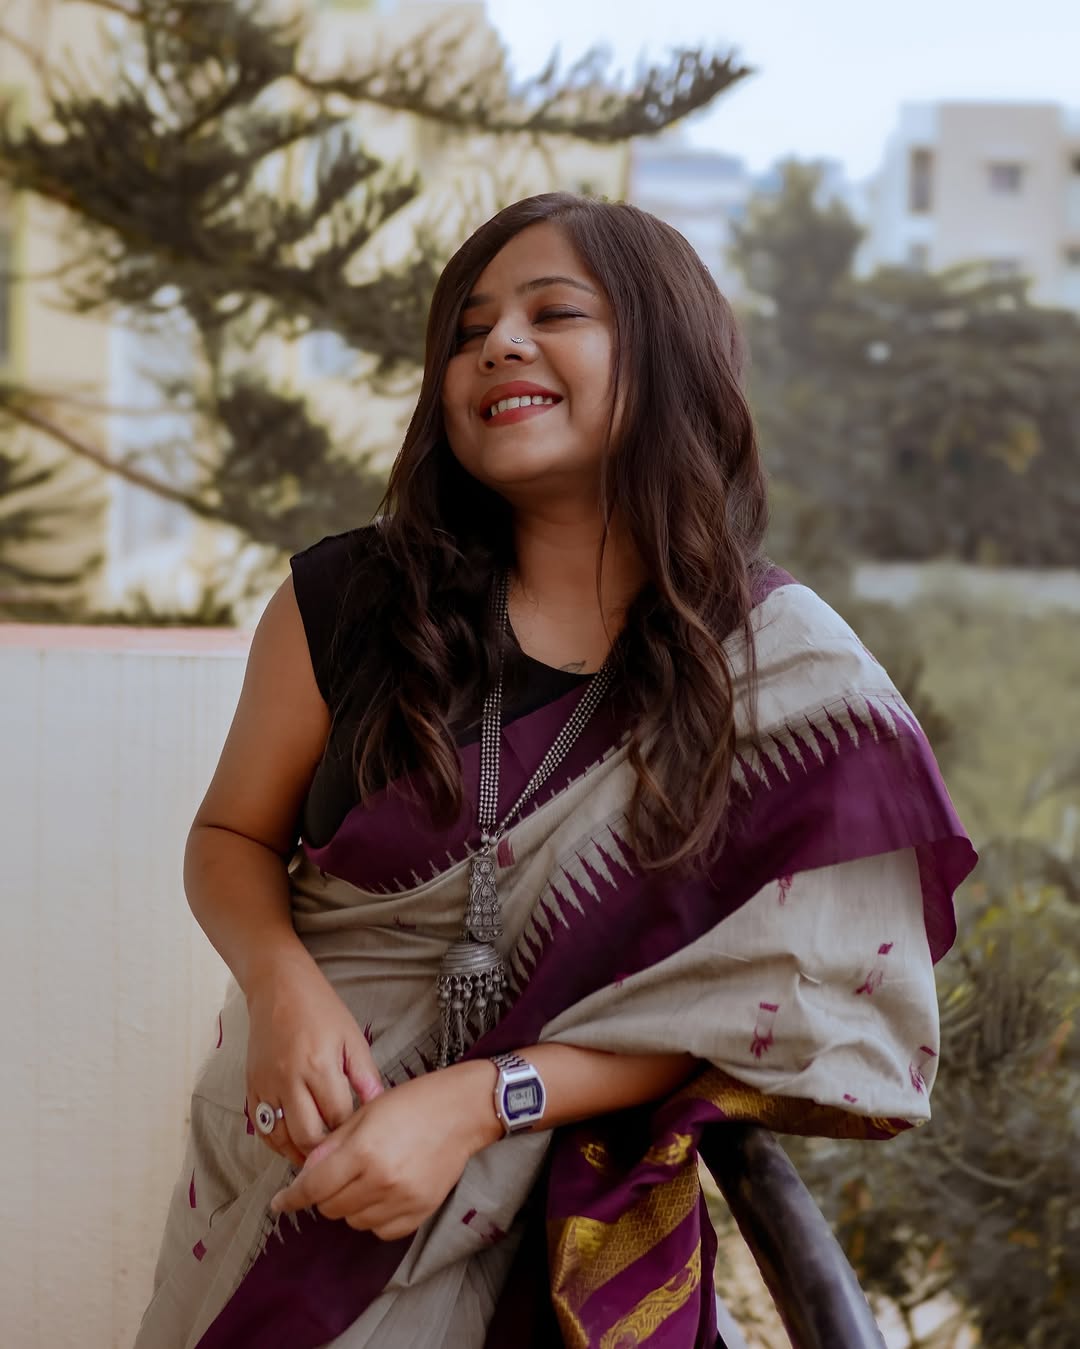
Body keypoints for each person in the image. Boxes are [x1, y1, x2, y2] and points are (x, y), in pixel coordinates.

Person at [135, 193, 976, 1349]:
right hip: (300, 1159)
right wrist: (282, 988)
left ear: (667, 354)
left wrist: (484, 1099)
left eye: (555, 311)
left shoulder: (774, 668)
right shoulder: (346, 603)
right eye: (469, 328)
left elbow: (773, 999)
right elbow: (229, 837)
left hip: (564, 1215)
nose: (501, 344)